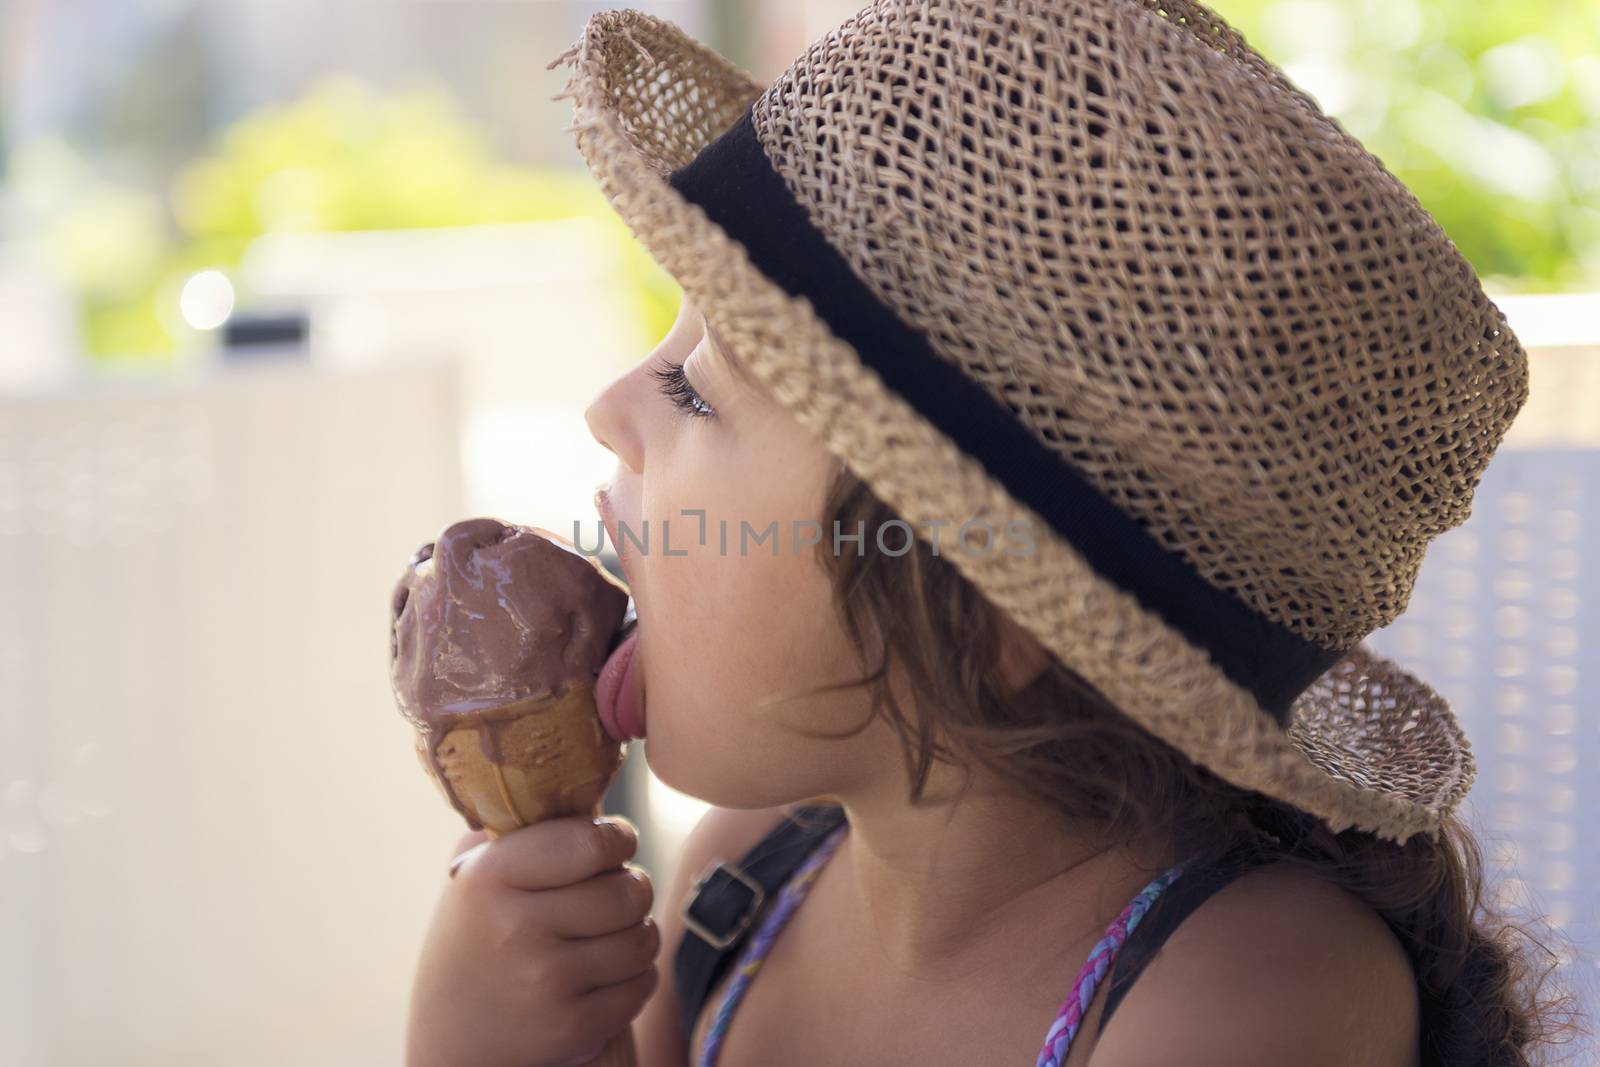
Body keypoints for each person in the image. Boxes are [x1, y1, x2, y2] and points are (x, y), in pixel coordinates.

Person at [405, 2, 1589, 1065]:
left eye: (698, 391)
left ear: (987, 605)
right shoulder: (743, 882)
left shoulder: (1255, 994)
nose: (610, 405)